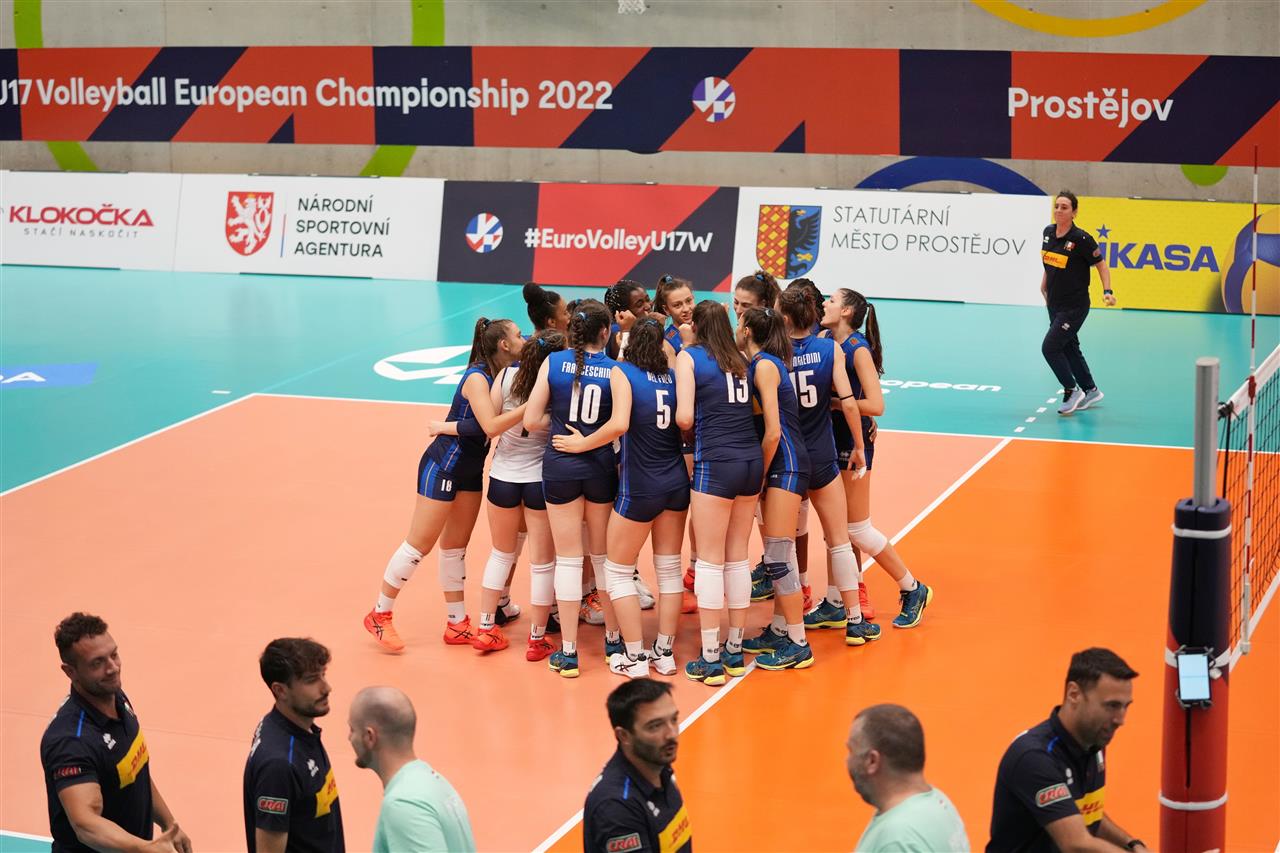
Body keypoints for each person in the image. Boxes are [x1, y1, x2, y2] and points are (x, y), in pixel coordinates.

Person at [362, 317, 526, 652]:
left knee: (455, 547)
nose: (524, 339)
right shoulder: (477, 378)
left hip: (470, 471)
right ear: (504, 344)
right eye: (519, 335)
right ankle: (380, 613)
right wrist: (529, 407)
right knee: (418, 545)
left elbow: (476, 426)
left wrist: (445, 425)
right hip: (442, 467)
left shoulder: (502, 374)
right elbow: (490, 426)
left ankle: (456, 623)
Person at [552, 317, 690, 679]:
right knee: (669, 570)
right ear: (661, 346)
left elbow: (619, 424)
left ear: (629, 345)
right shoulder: (673, 377)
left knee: (617, 571)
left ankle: (635, 656)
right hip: (676, 482)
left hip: (640, 486)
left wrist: (581, 443)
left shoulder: (623, 372)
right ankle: (664, 652)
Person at [819, 288, 932, 629]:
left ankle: (912, 587)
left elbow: (876, 405)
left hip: (853, 443)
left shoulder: (858, 349)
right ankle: (836, 600)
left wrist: (837, 403)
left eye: (832, 301)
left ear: (847, 312)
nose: (825, 303)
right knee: (835, 529)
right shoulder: (825, 339)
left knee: (857, 529)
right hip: (832, 439)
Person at [524, 299, 623, 677]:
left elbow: (531, 420)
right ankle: (613, 639)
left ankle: (568, 652)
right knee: (602, 557)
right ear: (605, 332)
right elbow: (620, 423)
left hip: (560, 465)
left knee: (567, 559)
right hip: (599, 467)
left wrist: (561, 425)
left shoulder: (553, 363)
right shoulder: (615, 370)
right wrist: (588, 441)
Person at [40, 612, 192, 853]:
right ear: (70, 671)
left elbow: (135, 769)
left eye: (114, 655)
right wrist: (145, 848)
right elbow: (86, 825)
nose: (112, 668)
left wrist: (169, 823)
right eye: (97, 663)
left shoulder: (116, 697)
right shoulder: (70, 741)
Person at [677, 300, 761, 686]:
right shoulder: (741, 360)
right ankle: (734, 649)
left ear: (695, 325)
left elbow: (684, 417)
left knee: (710, 560)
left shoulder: (690, 357)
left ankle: (710, 658)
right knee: (738, 556)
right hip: (750, 462)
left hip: (716, 461)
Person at [988, 648, 1146, 853]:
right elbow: (1075, 843)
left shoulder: (1093, 742)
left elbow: (1087, 814)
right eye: (1112, 706)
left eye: (1126, 706)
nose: (1120, 719)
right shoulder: (1034, 758)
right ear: (1074, 694)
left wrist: (1132, 843)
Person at [739, 306, 814, 671]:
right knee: (778, 554)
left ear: (747, 331)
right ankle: (781, 630)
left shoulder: (766, 366)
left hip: (786, 464)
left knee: (779, 557)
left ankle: (799, 644)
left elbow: (773, 432)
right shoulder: (762, 363)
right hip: (784, 463)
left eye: (739, 321)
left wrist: (760, 476)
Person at [244, 638, 344, 853]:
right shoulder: (279, 765)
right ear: (280, 690)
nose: (326, 688)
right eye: (312, 680)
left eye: (323, 675)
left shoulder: (299, 728)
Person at [347, 686, 475, 853]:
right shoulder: (435, 782)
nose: (349, 737)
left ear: (370, 737)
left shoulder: (403, 804)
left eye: (352, 730)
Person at [583, 679, 692, 853]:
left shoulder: (660, 768)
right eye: (655, 726)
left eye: (674, 719)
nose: (671, 734)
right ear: (624, 736)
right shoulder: (617, 808)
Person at [847, 704, 968, 852]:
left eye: (851, 751)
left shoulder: (895, 841)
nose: (847, 760)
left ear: (872, 761)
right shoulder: (939, 802)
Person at [1040, 190, 1115, 416]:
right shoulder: (1048, 232)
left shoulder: (1082, 239)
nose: (1058, 210)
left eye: (1064, 207)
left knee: (1050, 347)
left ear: (1074, 212)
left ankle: (1071, 390)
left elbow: (1101, 265)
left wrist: (1108, 291)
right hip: (1054, 302)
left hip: (1074, 306)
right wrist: (1044, 284)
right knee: (1069, 346)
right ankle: (1091, 390)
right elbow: (1049, 261)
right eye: (1057, 206)